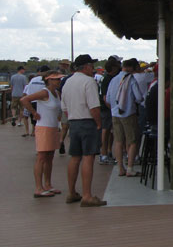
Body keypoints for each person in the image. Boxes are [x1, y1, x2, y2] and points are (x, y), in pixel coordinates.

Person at [60, 54, 106, 207]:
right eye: (91, 66)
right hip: (87, 122)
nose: (93, 69)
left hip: (74, 122)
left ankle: (72, 192)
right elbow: (94, 107)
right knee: (88, 157)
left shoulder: (67, 82)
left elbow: (64, 108)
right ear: (86, 67)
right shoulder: (89, 81)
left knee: (75, 157)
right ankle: (87, 195)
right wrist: (99, 124)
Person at [21, 70, 65, 198]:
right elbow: (25, 99)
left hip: (52, 127)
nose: (59, 81)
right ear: (48, 79)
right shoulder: (44, 92)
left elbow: (58, 108)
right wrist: (34, 113)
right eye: (56, 79)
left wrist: (59, 115)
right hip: (43, 127)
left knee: (50, 157)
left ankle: (48, 184)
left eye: (59, 79)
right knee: (41, 157)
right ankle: (38, 187)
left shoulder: (56, 93)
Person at [106, 58, 145, 177]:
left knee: (118, 141)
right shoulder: (130, 79)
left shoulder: (113, 80)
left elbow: (107, 99)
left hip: (115, 113)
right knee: (132, 141)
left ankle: (120, 168)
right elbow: (138, 97)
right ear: (132, 68)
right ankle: (130, 167)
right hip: (128, 113)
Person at [98, 57, 121, 165]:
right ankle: (103, 153)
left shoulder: (110, 78)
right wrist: (112, 109)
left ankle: (108, 151)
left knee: (110, 131)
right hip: (106, 109)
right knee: (106, 130)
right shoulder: (107, 79)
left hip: (109, 108)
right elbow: (105, 97)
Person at [10, 66, 27, 131]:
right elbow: (24, 86)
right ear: (21, 70)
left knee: (13, 107)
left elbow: (11, 86)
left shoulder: (12, 77)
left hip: (14, 94)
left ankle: (13, 116)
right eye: (24, 70)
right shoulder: (23, 77)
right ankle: (19, 122)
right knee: (21, 108)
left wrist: (12, 93)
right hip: (21, 94)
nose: (24, 71)